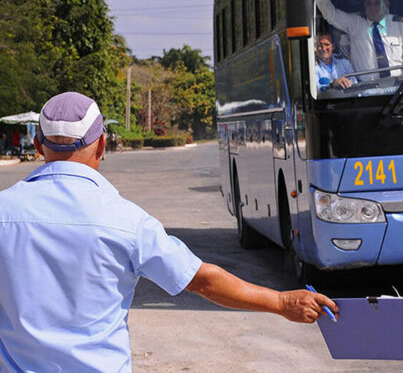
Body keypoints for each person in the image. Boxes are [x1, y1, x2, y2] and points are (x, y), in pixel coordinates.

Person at [0, 92, 338, 372]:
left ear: (37, 143)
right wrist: (281, 301)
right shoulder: (127, 221)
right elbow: (201, 280)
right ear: (102, 145)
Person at [316, 0, 403, 81]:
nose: (373, 7)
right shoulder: (355, 23)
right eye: (369, 4)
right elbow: (331, 15)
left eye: (377, 3)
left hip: (398, 87)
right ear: (364, 6)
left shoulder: (400, 24)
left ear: (386, 4)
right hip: (366, 89)